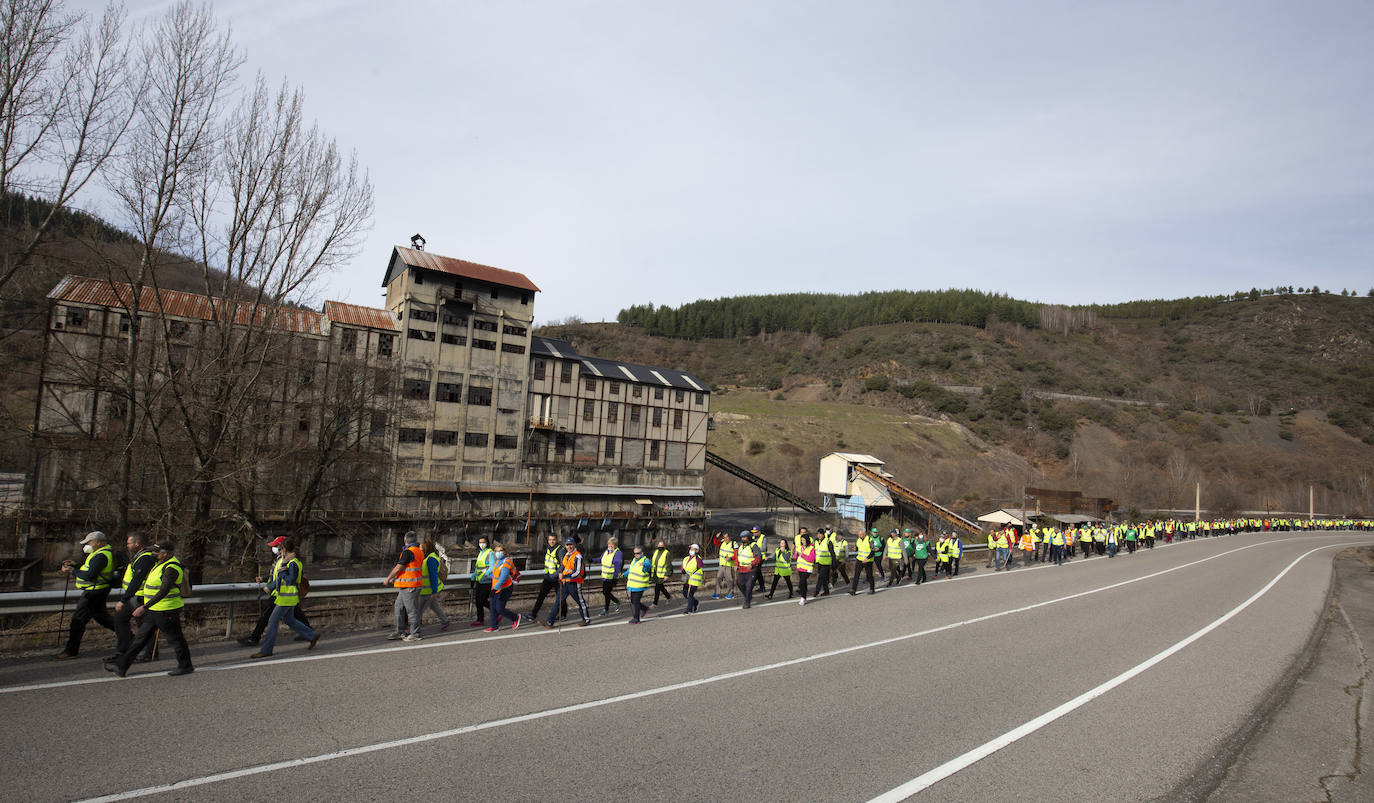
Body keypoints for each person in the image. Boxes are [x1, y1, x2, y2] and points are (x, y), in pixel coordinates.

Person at [104, 542, 193, 677]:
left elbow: (163, 591)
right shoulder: (159, 564)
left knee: (175, 639)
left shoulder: (172, 568)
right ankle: (121, 666)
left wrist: (144, 607)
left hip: (167, 609)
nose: (154, 554)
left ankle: (185, 665)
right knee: (140, 638)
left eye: (157, 552)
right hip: (156, 609)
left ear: (165, 553)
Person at [249, 538, 320, 658]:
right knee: (289, 620)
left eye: (280, 548)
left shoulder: (291, 563)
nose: (279, 551)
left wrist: (282, 574)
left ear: (285, 549)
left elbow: (290, 580)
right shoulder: (292, 561)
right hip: (287, 597)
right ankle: (311, 635)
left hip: (286, 597)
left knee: (272, 621)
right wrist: (271, 586)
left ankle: (266, 650)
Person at [57, 531, 118, 659]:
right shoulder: (98, 554)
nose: (87, 545)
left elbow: (90, 575)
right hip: (98, 590)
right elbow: (90, 570)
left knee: (78, 620)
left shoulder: (101, 556)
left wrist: (73, 571)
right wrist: (77, 566)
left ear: (99, 543)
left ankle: (71, 651)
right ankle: (127, 635)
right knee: (102, 618)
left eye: (89, 542)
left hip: (94, 592)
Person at [109, 533, 157, 663]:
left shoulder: (145, 558)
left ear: (137, 544)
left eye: (129, 543)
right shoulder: (139, 556)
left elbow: (137, 580)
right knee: (120, 619)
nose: (127, 545)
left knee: (144, 626)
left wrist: (123, 599)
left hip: (141, 597)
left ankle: (150, 653)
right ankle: (123, 650)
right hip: (134, 596)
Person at [383, 530, 425, 642]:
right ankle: (399, 631)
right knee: (399, 607)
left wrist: (388, 578)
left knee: (412, 611)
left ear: (405, 540)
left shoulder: (408, 552)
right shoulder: (419, 551)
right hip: (408, 585)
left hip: (410, 586)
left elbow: (399, 567)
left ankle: (415, 633)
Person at [544, 536, 591, 627]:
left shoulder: (578, 556)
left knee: (580, 602)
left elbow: (577, 572)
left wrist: (565, 575)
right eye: (567, 545)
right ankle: (549, 622)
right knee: (558, 602)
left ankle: (586, 619)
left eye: (571, 545)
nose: (569, 547)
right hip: (565, 583)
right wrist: (559, 573)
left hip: (574, 583)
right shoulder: (566, 555)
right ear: (565, 546)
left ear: (574, 545)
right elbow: (564, 566)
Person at [484, 542, 522, 632]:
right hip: (496, 588)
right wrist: (485, 575)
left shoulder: (507, 561)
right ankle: (494, 626)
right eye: (497, 551)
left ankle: (515, 618)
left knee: (499, 608)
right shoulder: (497, 561)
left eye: (500, 551)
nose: (498, 553)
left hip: (505, 589)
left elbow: (503, 577)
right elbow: (495, 575)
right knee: (492, 607)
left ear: (504, 552)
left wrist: (495, 588)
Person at [529, 533, 565, 622]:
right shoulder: (548, 549)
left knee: (560, 598)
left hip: (556, 578)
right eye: (550, 540)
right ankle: (533, 614)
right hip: (548, 577)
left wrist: (556, 574)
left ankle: (563, 614)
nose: (551, 541)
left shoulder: (560, 550)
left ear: (556, 540)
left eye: (553, 540)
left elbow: (563, 565)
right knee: (541, 596)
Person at [418, 539, 451, 632]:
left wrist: (434, 591)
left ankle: (414, 629)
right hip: (427, 589)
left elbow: (433, 576)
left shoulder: (430, 559)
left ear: (426, 548)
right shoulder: (429, 557)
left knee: (418, 611)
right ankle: (445, 621)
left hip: (428, 590)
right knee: (434, 606)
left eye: (421, 548)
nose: (419, 549)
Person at [625, 545, 653, 624]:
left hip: (640, 585)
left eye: (637, 553)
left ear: (642, 553)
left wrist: (644, 565)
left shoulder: (645, 560)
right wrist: (625, 574)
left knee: (636, 601)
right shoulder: (634, 560)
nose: (635, 555)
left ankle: (636, 618)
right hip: (633, 585)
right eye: (634, 553)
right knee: (633, 601)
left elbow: (649, 566)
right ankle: (644, 608)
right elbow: (630, 570)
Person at [471, 536, 494, 627]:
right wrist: (473, 577)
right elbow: (478, 567)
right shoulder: (480, 553)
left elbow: (492, 567)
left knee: (482, 600)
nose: (481, 544)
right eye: (480, 542)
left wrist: (485, 574)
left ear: (487, 543)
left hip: (487, 580)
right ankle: (480, 619)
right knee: (478, 601)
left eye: (483, 542)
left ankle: (497, 611)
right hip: (480, 580)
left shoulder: (490, 553)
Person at [735, 532, 761, 608]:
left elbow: (759, 557)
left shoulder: (753, 546)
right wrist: (736, 565)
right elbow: (737, 557)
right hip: (741, 570)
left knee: (749, 586)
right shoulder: (740, 547)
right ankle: (748, 596)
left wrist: (752, 564)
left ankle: (747, 602)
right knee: (740, 584)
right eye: (742, 537)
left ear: (748, 537)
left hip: (750, 570)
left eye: (744, 537)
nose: (743, 539)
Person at [850, 527, 879, 595]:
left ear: (864, 533)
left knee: (869, 575)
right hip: (860, 560)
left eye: (861, 534)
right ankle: (853, 590)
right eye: (859, 534)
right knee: (856, 575)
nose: (860, 535)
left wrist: (867, 558)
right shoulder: (858, 540)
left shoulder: (869, 539)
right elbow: (858, 548)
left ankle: (872, 589)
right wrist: (855, 549)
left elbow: (873, 551)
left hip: (868, 560)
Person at [599, 537, 623, 616]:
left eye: (612, 545)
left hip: (613, 577)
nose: (610, 546)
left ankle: (606, 610)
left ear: (615, 545)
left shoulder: (618, 553)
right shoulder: (606, 551)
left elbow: (618, 564)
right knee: (605, 592)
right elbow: (600, 559)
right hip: (606, 576)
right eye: (609, 544)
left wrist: (615, 576)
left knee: (606, 592)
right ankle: (616, 601)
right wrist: (592, 560)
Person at [650, 539, 674, 607]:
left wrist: (667, 574)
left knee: (657, 588)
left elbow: (668, 564)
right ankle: (669, 597)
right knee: (660, 587)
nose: (660, 546)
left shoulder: (667, 553)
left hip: (661, 574)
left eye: (661, 545)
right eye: (659, 545)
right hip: (655, 573)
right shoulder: (655, 551)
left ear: (664, 545)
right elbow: (653, 561)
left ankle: (655, 603)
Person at [713, 532, 736, 600]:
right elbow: (715, 543)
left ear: (730, 537)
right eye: (724, 537)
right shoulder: (722, 542)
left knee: (729, 580)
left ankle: (730, 593)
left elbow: (736, 555)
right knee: (718, 579)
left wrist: (730, 558)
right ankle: (717, 593)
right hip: (722, 564)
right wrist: (716, 537)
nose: (725, 538)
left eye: (727, 537)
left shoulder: (734, 544)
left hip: (729, 565)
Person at [794, 534, 816, 605]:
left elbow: (811, 559)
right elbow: (795, 558)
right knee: (803, 583)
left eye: (804, 540)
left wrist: (802, 555)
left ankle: (803, 598)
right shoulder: (800, 547)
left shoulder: (811, 548)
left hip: (808, 569)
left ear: (807, 540)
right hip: (800, 568)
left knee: (802, 581)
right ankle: (804, 596)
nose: (802, 541)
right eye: (801, 540)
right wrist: (796, 554)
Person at [682, 544, 704, 613]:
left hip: (694, 580)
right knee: (685, 593)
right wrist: (682, 569)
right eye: (690, 549)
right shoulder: (686, 558)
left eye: (692, 549)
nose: (691, 550)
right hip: (686, 579)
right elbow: (682, 566)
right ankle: (695, 602)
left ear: (696, 551)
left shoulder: (698, 559)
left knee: (690, 594)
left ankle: (689, 610)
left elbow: (699, 566)